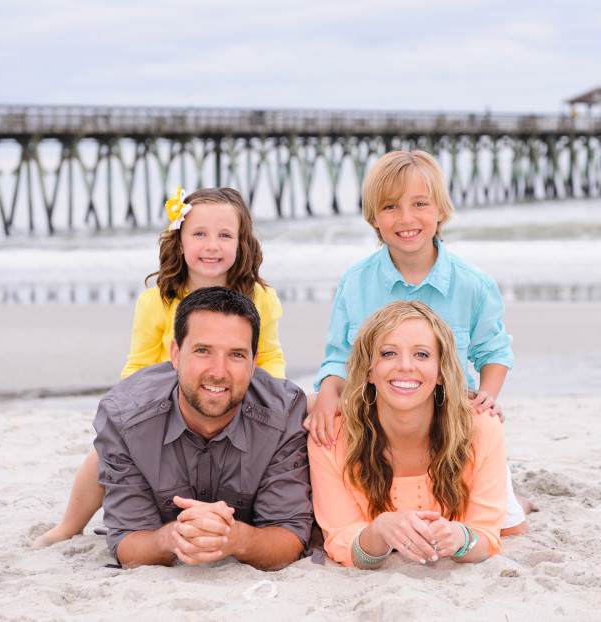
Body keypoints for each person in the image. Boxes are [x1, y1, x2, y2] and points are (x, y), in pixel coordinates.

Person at [36, 186, 286, 546]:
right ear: (180, 241)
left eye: (225, 235)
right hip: (167, 403)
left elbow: (271, 356)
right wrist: (132, 412)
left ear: (242, 243)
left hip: (235, 397)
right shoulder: (157, 300)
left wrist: (266, 396)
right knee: (100, 452)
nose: (212, 245)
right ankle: (68, 526)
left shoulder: (260, 298)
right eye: (199, 234)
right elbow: (137, 365)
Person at [306, 150, 531, 535]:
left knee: (507, 530)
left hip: (449, 425)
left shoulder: (472, 284)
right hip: (378, 421)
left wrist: (489, 395)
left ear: (441, 210)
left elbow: (494, 352)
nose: (406, 219)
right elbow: (338, 358)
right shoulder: (356, 283)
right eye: (390, 206)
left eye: (420, 204)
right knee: (312, 413)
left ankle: (513, 496)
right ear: (374, 217)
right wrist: (328, 394)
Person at [93, 287, 311, 569]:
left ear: (254, 362)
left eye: (236, 355)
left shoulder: (283, 414)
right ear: (175, 353)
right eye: (203, 350)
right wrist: (172, 538)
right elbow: (126, 542)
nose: (218, 372)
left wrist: (234, 538)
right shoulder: (124, 417)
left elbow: (290, 536)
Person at [310, 301, 506, 567]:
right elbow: (340, 541)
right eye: (388, 353)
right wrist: (377, 531)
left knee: (514, 526)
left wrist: (461, 537)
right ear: (369, 370)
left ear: (440, 372)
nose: (404, 366)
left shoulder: (482, 426)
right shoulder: (331, 436)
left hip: (484, 464)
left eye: (422, 355)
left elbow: (487, 539)